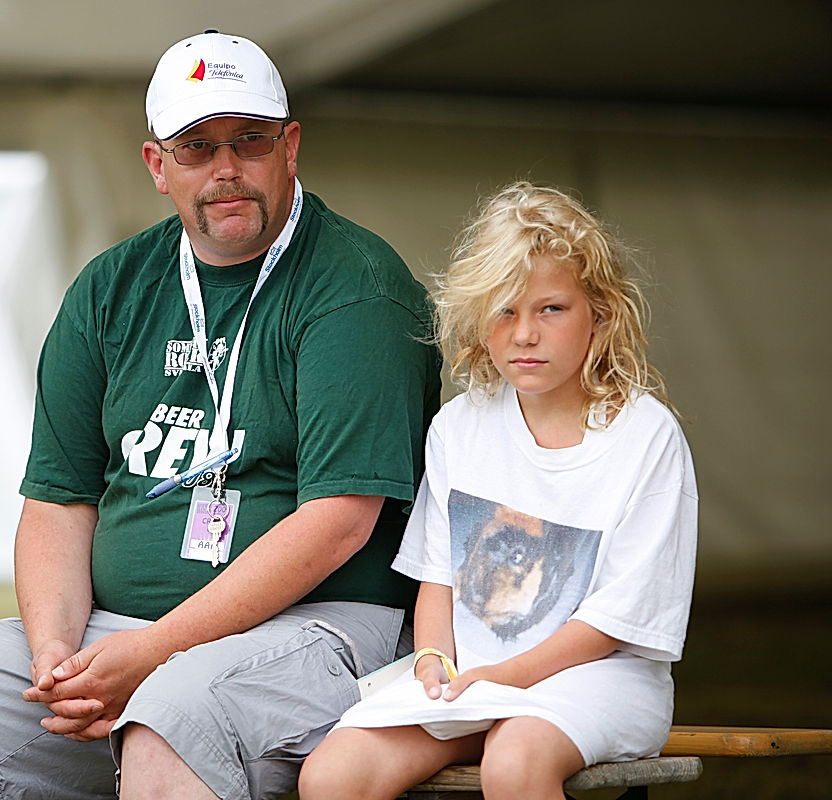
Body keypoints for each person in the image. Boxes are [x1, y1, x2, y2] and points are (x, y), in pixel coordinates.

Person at [0, 30, 440, 800]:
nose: (227, 168)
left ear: (290, 147)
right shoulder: (110, 289)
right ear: (157, 166)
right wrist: (55, 656)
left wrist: (155, 653)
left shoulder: (355, 288)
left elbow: (340, 520)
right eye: (196, 147)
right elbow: (60, 500)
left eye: (249, 141)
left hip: (319, 629)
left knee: (168, 722)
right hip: (121, 635)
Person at [298, 181, 697, 800]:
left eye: (551, 309)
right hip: (473, 683)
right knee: (330, 775)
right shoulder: (460, 426)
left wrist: (502, 678)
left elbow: (616, 620)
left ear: (601, 311)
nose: (524, 334)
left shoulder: (646, 436)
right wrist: (432, 660)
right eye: (503, 310)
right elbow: (439, 578)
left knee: (512, 762)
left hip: (598, 679)